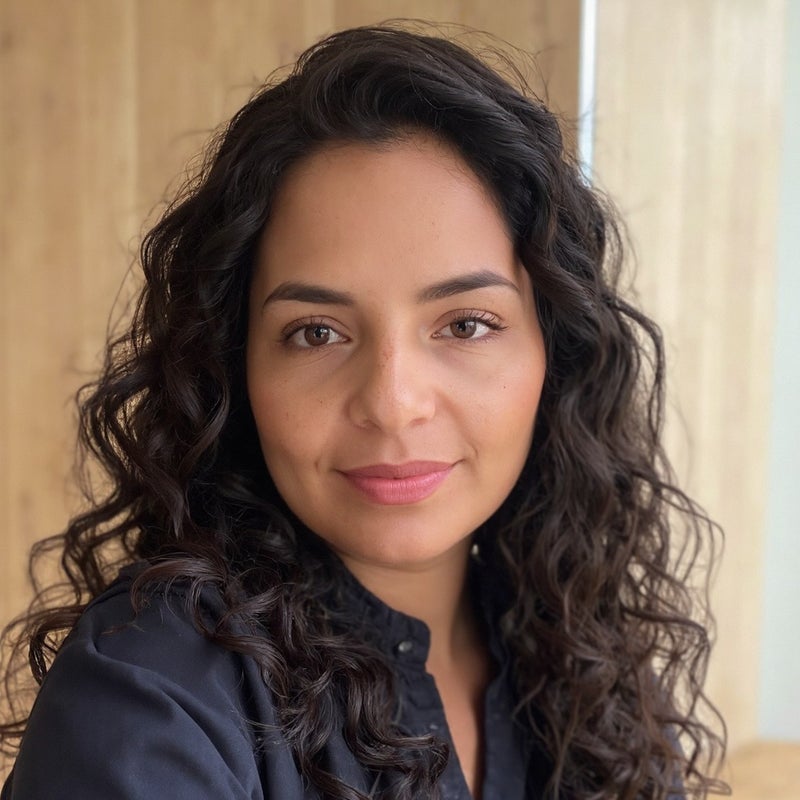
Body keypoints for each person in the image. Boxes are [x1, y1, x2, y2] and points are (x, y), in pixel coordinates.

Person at [0, 23, 726, 800]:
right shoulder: (150, 698)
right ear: (234, 366)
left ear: (557, 351)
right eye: (317, 333)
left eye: (466, 324)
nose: (392, 403)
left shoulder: (585, 662)